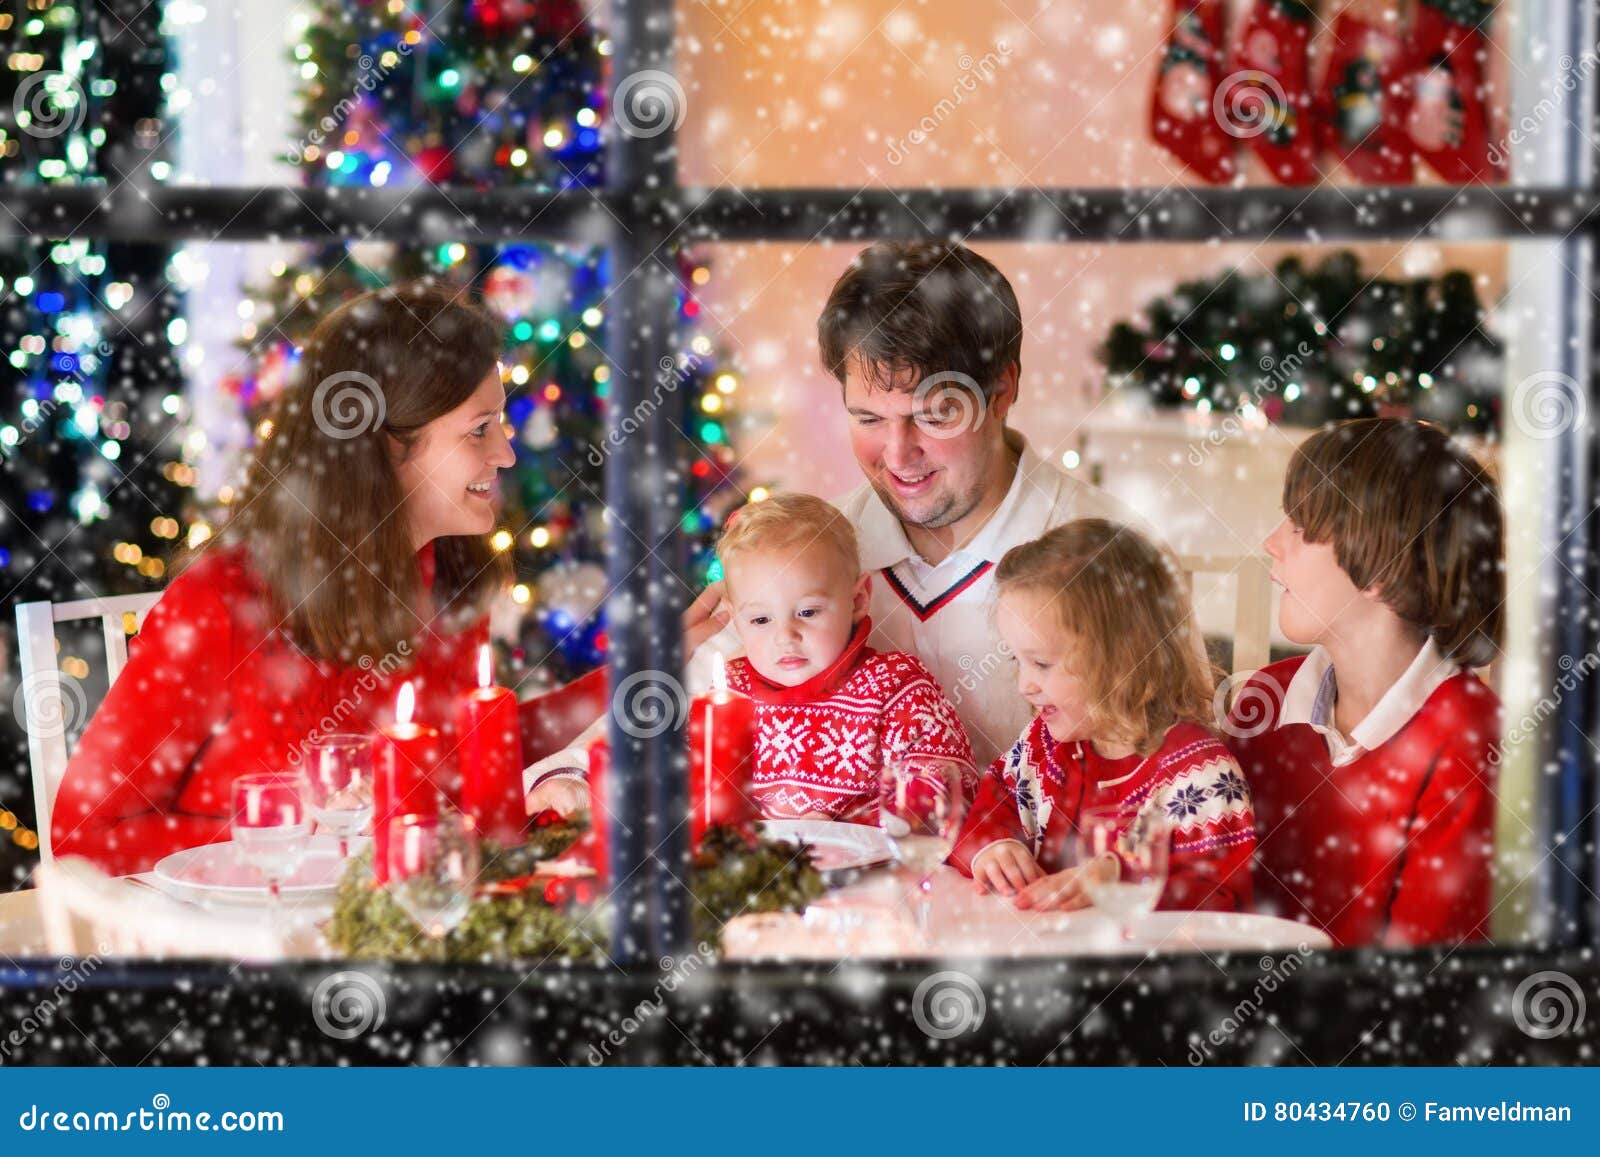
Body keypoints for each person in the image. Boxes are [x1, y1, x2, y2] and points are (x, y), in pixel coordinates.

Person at [51, 283, 523, 875]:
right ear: (381, 447)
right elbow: (83, 835)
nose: (506, 453)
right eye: (480, 429)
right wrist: (285, 837)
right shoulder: (219, 606)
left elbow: (482, 759)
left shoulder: (450, 582)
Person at [1225, 418, 1503, 948]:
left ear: (1381, 567)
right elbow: (1205, 874)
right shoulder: (1268, 695)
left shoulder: (1470, 739)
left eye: (1302, 529)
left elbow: (1425, 981)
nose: (1272, 542)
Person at [949, 519, 1256, 913]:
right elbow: (992, 806)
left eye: (1042, 663)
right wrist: (994, 847)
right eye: (1017, 659)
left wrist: (1116, 879)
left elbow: (1220, 898)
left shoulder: (1200, 774)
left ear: (1122, 660)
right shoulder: (1042, 745)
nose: (1025, 684)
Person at [718, 493, 973, 821]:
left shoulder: (893, 685)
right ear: (735, 619)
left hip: (874, 867)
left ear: (858, 600)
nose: (785, 637)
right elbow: (690, 791)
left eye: (808, 612)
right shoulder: (729, 695)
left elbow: (940, 789)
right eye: (760, 620)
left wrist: (845, 831)